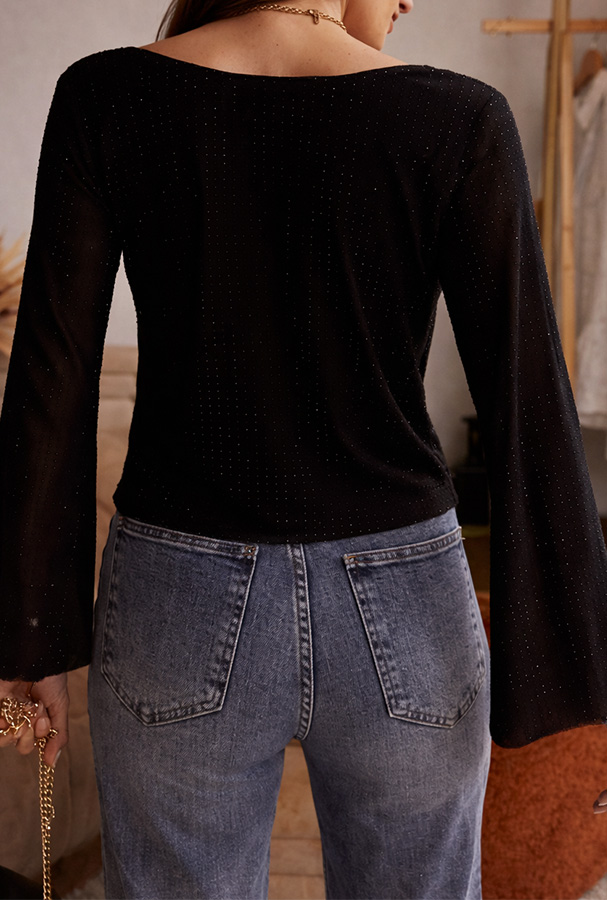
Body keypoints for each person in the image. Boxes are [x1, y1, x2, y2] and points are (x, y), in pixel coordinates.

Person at [2, 0, 607, 897]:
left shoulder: (108, 96)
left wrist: (32, 635)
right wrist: (579, 660)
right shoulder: (459, 117)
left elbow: (50, 383)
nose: (405, 2)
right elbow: (528, 400)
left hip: (176, 598)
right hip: (406, 602)